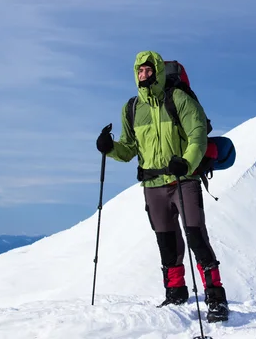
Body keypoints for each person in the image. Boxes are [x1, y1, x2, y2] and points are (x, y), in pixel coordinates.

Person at [96, 50, 229, 322]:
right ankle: (175, 291)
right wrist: (110, 149)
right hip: (152, 183)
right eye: (139, 71)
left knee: (196, 237)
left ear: (156, 71)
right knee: (166, 240)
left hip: (183, 179)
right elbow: (130, 148)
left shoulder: (178, 99)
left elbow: (198, 136)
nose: (143, 75)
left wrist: (187, 163)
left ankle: (215, 297)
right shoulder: (132, 108)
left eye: (147, 70)